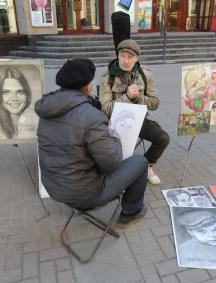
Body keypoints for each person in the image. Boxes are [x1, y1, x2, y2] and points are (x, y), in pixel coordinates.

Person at [36, 59, 148, 228]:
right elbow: (112, 163)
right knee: (140, 162)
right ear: (87, 86)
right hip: (83, 194)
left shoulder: (47, 110)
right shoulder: (91, 116)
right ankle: (131, 212)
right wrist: (114, 135)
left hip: (53, 186)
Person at [100, 39, 170, 186]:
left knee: (163, 138)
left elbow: (155, 103)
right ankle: (120, 177)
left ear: (137, 58)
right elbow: (105, 108)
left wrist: (138, 96)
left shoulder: (145, 74)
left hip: (139, 120)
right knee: (121, 152)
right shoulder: (108, 78)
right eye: (122, 55)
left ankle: (147, 165)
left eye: (130, 57)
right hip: (115, 123)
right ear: (117, 55)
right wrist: (127, 97)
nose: (125, 60)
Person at [0, 67, 36, 139]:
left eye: (20, 91)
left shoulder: (33, 118)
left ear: (27, 94)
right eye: (6, 92)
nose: (14, 98)